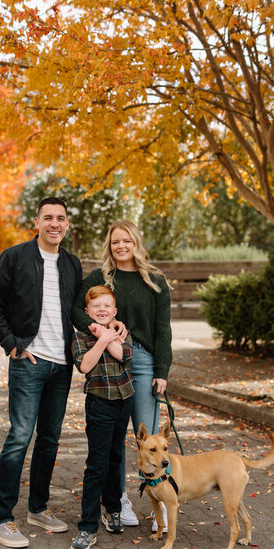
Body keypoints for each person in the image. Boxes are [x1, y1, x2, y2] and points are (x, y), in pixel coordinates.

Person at [0, 197, 82, 548]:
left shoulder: (71, 263)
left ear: (66, 224)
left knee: (50, 439)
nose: (55, 224)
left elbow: (78, 311)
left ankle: (38, 509)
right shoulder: (15, 257)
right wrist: (12, 345)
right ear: (37, 222)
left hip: (62, 364)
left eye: (61, 218)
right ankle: (2, 519)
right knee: (20, 437)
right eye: (48, 218)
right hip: (29, 361)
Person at [72, 220, 172, 531]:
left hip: (142, 361)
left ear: (136, 243)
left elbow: (162, 329)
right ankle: (119, 502)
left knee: (150, 440)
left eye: (126, 240)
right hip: (108, 362)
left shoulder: (155, 280)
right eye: (115, 241)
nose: (121, 246)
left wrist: (162, 371)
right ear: (109, 245)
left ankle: (159, 505)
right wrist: (100, 330)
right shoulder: (99, 277)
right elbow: (75, 309)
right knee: (114, 441)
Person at [70, 285, 134, 549]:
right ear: (88, 311)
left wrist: (108, 336)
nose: (102, 310)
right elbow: (85, 365)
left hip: (124, 401)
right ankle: (87, 526)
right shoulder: (80, 337)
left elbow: (123, 355)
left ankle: (113, 509)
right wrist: (102, 339)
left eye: (107, 306)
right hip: (99, 404)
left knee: (116, 458)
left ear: (115, 311)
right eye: (97, 306)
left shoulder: (122, 332)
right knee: (97, 464)